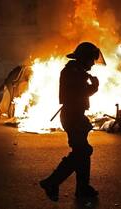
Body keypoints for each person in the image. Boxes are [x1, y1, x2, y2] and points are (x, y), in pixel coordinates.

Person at [40, 42, 105, 201]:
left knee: (82, 152)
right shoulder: (73, 72)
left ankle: (83, 188)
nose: (92, 63)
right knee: (83, 151)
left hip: (75, 115)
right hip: (73, 115)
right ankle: (52, 182)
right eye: (91, 59)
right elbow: (77, 95)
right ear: (84, 58)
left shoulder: (76, 71)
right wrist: (94, 88)